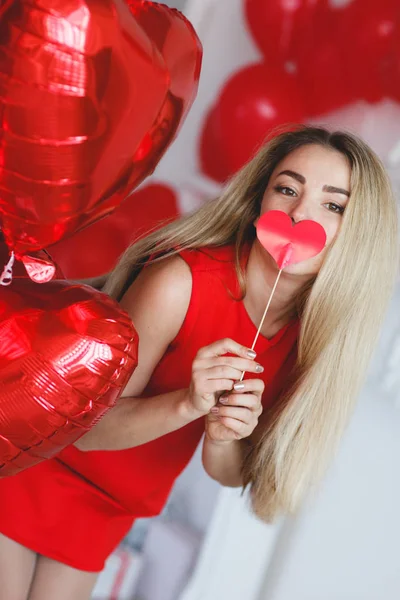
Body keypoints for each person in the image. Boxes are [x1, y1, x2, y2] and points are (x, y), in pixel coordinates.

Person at [0, 126, 397, 600]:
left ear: (358, 234)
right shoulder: (180, 283)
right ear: (258, 205)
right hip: (37, 467)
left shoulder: (312, 343)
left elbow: (230, 472)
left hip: (108, 510)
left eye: (333, 205)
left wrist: (224, 433)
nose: (299, 213)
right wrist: (187, 404)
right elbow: (85, 431)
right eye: (287, 189)